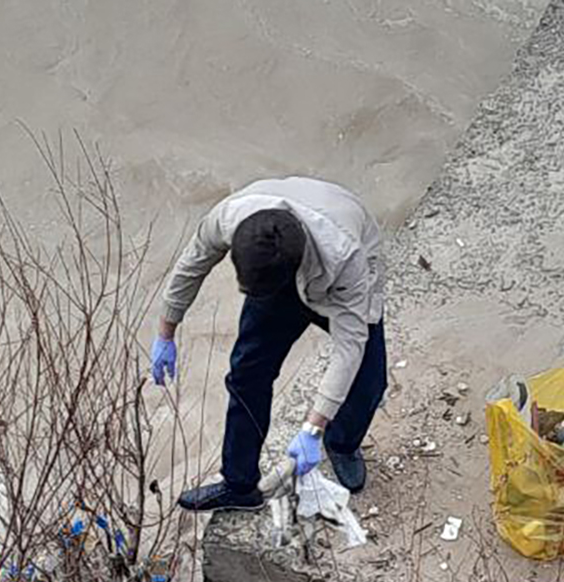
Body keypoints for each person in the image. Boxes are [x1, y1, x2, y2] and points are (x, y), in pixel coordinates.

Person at [151, 176, 387, 512]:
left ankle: (342, 444)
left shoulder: (346, 257)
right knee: (247, 374)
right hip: (279, 272)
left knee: (367, 380)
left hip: (339, 280)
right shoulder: (228, 218)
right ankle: (239, 485)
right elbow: (192, 265)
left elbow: (350, 347)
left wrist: (313, 428)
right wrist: (166, 332)